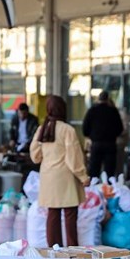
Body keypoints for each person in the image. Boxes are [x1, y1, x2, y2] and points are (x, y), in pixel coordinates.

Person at [31, 95, 90, 247]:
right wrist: (83, 176)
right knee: (70, 214)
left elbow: (35, 156)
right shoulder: (67, 130)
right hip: (65, 178)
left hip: (48, 177)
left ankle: (54, 249)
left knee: (53, 214)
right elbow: (73, 158)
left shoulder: (41, 129)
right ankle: (72, 249)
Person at [82, 91, 124, 179]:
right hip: (110, 144)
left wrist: (91, 136)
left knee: (94, 171)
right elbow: (120, 128)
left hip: (96, 144)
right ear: (107, 99)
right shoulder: (113, 111)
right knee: (110, 172)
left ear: (98, 99)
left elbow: (85, 128)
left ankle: (94, 190)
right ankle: (109, 190)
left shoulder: (92, 110)